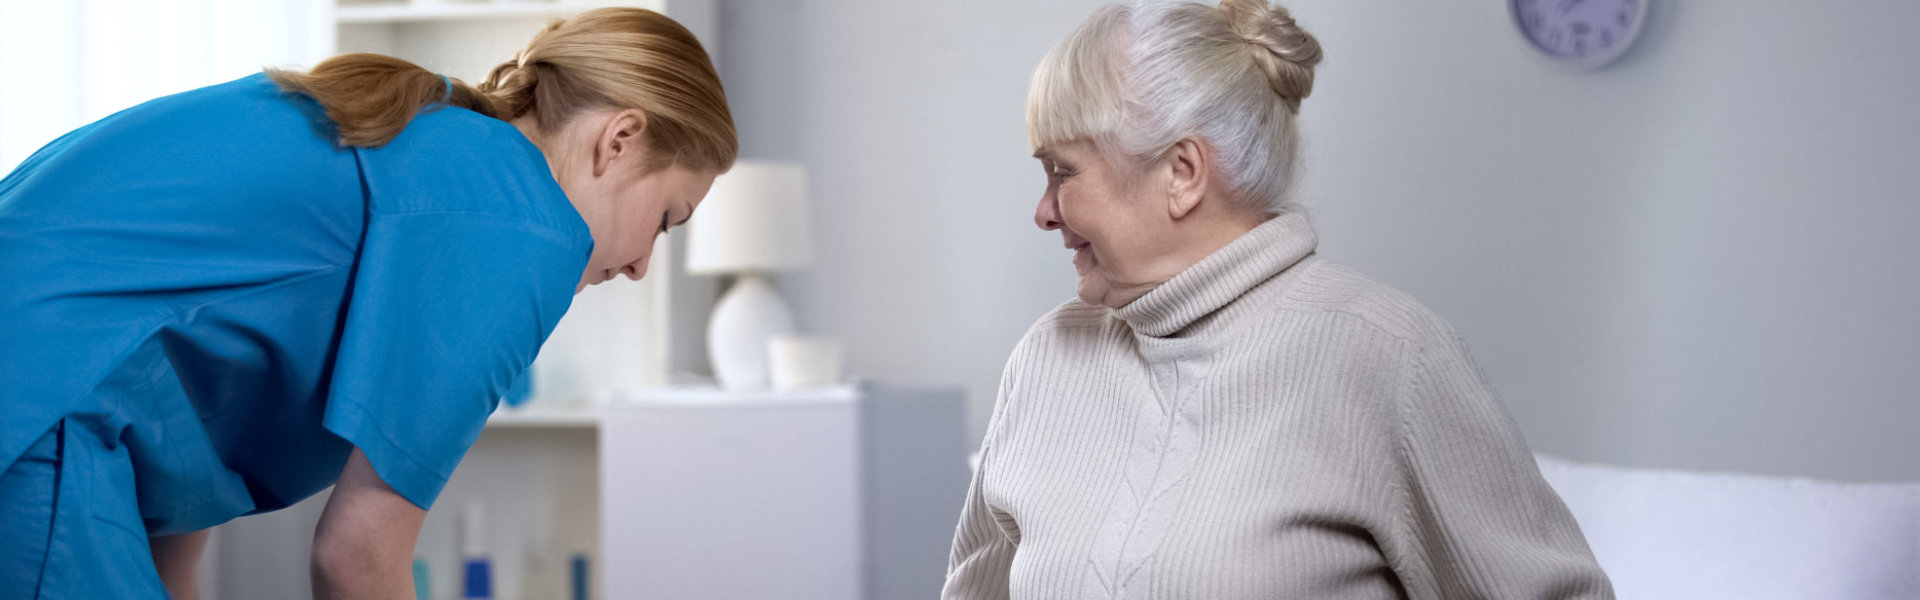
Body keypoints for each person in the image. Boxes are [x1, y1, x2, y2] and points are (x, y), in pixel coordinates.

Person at [0, 8, 733, 599]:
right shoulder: (521, 222)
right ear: (621, 139)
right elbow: (358, 559)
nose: (641, 266)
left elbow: (178, 377)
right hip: (41, 411)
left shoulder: (433, 140)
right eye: (667, 218)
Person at [943, 1, 1613, 598]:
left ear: (1181, 173)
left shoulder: (1389, 355)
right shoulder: (1046, 359)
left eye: (1063, 171)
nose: (1043, 211)